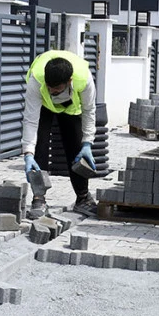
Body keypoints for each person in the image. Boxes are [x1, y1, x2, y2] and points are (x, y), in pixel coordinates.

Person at [21, 50, 99, 218]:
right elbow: (30, 120)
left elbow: (89, 111)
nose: (52, 92)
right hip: (44, 107)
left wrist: (87, 143)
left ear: (69, 81)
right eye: (50, 88)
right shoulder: (36, 80)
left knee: (76, 146)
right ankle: (39, 198)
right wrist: (28, 153)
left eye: (56, 89)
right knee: (40, 144)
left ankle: (83, 198)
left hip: (71, 109)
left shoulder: (84, 79)